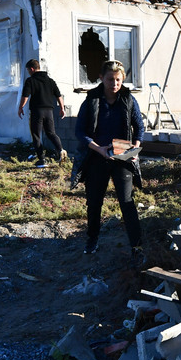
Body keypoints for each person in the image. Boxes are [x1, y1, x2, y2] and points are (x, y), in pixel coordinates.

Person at [75, 60, 145, 261]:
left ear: (122, 79)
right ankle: (92, 238)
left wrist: (136, 146)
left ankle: (136, 246)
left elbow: (139, 127)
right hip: (97, 156)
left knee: (127, 201)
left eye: (118, 80)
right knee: (94, 202)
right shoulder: (91, 100)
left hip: (123, 156)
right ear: (101, 78)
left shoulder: (129, 100)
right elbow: (79, 131)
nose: (114, 83)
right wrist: (98, 148)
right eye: (110, 79)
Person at [18, 59, 66, 168]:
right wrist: (62, 108)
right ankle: (61, 150)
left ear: (32, 69)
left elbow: (25, 96)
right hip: (49, 111)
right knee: (51, 133)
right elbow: (59, 95)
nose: (28, 73)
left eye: (28, 70)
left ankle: (42, 160)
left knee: (36, 135)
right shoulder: (50, 81)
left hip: (37, 111)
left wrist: (20, 107)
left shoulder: (30, 81)